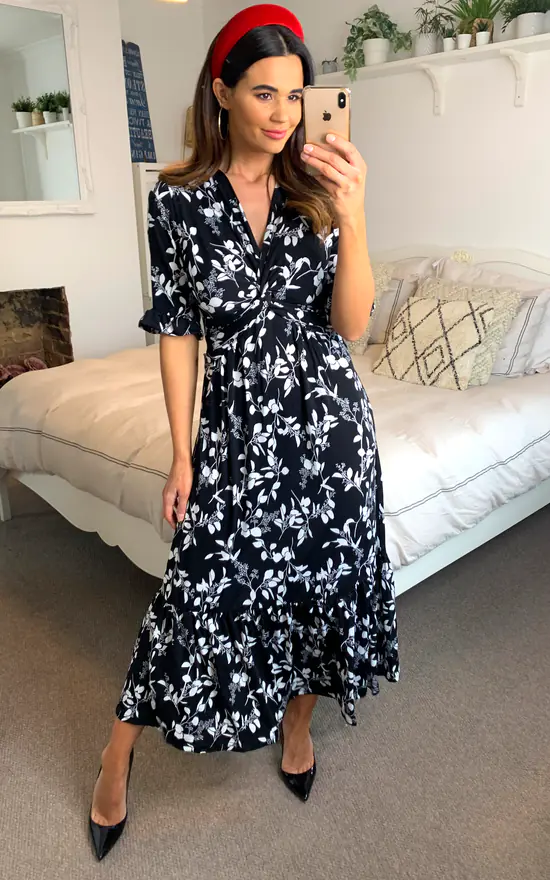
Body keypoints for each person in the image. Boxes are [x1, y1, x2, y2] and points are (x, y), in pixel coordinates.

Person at [89, 3, 399, 861]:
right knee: (193, 593)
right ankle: (117, 754)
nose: (283, 114)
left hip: (331, 437)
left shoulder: (321, 191)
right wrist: (182, 453)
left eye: (296, 96)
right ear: (221, 92)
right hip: (235, 434)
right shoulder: (177, 200)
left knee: (321, 588)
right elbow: (177, 329)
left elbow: (352, 326)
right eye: (264, 93)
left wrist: (355, 213)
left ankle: (297, 728)